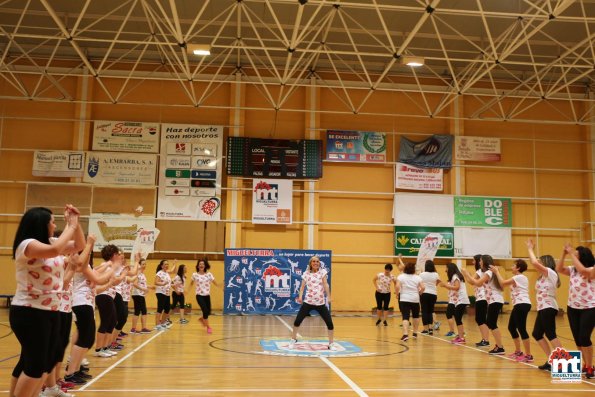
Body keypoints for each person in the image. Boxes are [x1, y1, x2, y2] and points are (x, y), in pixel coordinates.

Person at [10, 205, 85, 397]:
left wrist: (76, 224)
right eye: (52, 221)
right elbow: (55, 249)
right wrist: (70, 225)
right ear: (41, 224)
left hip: (51, 310)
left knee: (45, 362)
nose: (54, 225)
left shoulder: (51, 241)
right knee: (35, 365)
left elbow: (78, 246)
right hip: (29, 311)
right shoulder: (27, 244)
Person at [557, 244, 595, 379]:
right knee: (578, 339)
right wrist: (563, 254)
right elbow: (559, 268)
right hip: (572, 307)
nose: (573, 256)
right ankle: (585, 364)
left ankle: (590, 366)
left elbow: (584, 271)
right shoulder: (573, 269)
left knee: (585, 337)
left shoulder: (592, 268)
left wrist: (571, 254)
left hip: (590, 307)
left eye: (576, 254)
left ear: (582, 256)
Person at [526, 239, 563, 371]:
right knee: (537, 333)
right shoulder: (541, 277)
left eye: (541, 262)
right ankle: (551, 360)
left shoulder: (550, 272)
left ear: (546, 263)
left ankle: (563, 362)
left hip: (549, 307)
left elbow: (534, 262)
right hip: (543, 308)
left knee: (551, 334)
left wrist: (530, 249)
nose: (538, 265)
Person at [289, 256, 336, 350]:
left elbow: (326, 284)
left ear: (319, 263)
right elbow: (302, 287)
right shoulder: (306, 273)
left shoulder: (322, 272)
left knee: (330, 323)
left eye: (317, 261)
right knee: (297, 321)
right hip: (308, 302)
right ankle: (293, 339)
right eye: (314, 261)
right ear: (310, 263)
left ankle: (331, 344)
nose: (316, 263)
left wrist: (329, 297)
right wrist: (300, 297)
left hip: (321, 303)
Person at [462, 255, 505, 355]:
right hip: (493, 300)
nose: (479, 262)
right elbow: (479, 283)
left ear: (484, 261)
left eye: (480, 261)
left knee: (491, 323)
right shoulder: (490, 272)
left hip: (495, 300)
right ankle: (499, 346)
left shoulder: (489, 272)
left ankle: (500, 347)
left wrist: (466, 274)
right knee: (491, 323)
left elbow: (477, 283)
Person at [491, 259, 533, 362]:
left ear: (518, 268)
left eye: (514, 265)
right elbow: (502, 284)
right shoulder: (516, 278)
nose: (512, 267)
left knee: (522, 329)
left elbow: (503, 283)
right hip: (518, 304)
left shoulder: (519, 277)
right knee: (511, 327)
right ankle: (518, 351)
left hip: (522, 304)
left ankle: (529, 355)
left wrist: (497, 272)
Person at [438, 263, 469, 344]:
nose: (446, 270)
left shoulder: (455, 276)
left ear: (450, 269)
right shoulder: (454, 277)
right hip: (459, 300)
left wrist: (445, 285)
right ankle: (460, 335)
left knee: (458, 318)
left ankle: (461, 338)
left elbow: (457, 287)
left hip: (461, 299)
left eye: (446, 268)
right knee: (457, 317)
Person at [396, 262, 425, 341]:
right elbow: (423, 287)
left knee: (405, 316)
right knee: (416, 316)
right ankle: (415, 333)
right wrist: (420, 293)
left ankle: (405, 334)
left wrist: (397, 294)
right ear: (413, 269)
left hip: (404, 298)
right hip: (415, 299)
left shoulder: (401, 276)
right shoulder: (417, 277)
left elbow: (397, 286)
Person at [190, 258, 219, 333]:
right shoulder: (195, 274)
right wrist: (187, 291)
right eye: (200, 264)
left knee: (208, 312)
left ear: (205, 265)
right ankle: (208, 327)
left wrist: (220, 286)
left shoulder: (209, 274)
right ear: (198, 266)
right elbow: (191, 284)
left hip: (207, 295)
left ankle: (202, 319)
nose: (201, 265)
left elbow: (215, 282)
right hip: (199, 295)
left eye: (203, 264)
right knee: (205, 310)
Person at [468, 254, 490, 347]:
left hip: (482, 297)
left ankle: (486, 340)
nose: (473, 262)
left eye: (474, 260)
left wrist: (467, 274)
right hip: (481, 297)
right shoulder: (481, 271)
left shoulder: (480, 271)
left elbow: (471, 281)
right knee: (481, 319)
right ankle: (485, 339)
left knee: (480, 319)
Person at [130, 258, 152, 334]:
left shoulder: (142, 274)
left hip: (141, 295)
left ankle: (144, 328)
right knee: (137, 311)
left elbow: (143, 284)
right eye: (143, 264)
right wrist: (143, 289)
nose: (144, 265)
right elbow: (135, 284)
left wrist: (149, 287)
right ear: (139, 265)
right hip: (137, 294)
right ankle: (133, 329)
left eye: (145, 264)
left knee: (144, 311)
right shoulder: (137, 273)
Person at [419, 260, 441, 335]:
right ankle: (431, 329)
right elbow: (438, 282)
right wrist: (433, 285)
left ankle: (425, 329)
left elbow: (419, 283)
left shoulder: (422, 274)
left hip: (424, 293)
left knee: (424, 311)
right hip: (433, 294)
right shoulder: (436, 274)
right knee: (430, 311)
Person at [154, 259, 177, 330]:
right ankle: (157, 325)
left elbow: (173, 271)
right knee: (160, 308)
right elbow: (156, 282)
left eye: (167, 264)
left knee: (167, 309)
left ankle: (163, 323)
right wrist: (163, 283)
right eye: (165, 264)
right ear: (162, 266)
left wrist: (174, 264)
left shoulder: (167, 272)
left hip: (167, 293)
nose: (167, 266)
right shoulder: (159, 273)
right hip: (160, 292)